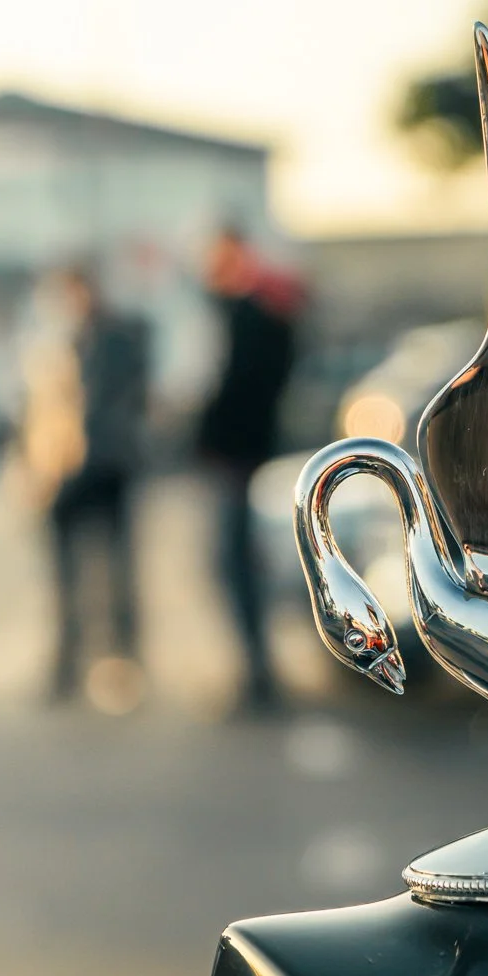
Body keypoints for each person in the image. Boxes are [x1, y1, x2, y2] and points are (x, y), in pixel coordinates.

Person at [29, 267, 149, 705]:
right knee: (65, 579)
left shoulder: (117, 338)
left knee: (115, 575)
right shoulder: (52, 345)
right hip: (60, 473)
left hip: (104, 469)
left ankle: (120, 663)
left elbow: (123, 403)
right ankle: (68, 663)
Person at [196, 230, 302, 712]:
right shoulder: (248, 313)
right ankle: (256, 666)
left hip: (240, 459)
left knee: (237, 566)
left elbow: (242, 390)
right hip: (240, 458)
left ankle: (258, 669)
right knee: (236, 566)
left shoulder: (251, 315)